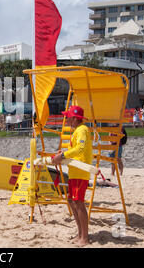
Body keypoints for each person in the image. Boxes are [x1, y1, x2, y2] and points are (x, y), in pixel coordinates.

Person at [53, 105, 92, 247]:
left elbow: (80, 148)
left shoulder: (82, 130)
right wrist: (63, 153)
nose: (66, 119)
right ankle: (80, 233)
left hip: (80, 171)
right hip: (75, 171)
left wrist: (62, 155)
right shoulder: (78, 130)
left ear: (75, 119)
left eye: (68, 116)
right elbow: (76, 149)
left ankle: (85, 237)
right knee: (72, 200)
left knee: (78, 202)